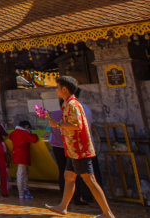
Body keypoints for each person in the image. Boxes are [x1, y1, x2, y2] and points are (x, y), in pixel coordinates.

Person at [45, 76, 114, 218]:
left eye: (57, 88)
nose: (56, 90)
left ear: (64, 89)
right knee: (69, 176)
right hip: (72, 149)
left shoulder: (73, 105)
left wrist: (57, 124)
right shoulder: (66, 104)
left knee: (90, 180)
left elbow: (77, 126)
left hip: (80, 149)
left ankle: (108, 213)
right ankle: (63, 206)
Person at [10, 119, 38, 199]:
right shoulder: (24, 133)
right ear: (26, 127)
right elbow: (34, 139)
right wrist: (33, 134)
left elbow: (10, 136)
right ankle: (22, 193)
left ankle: (23, 192)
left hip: (16, 154)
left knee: (23, 173)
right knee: (21, 174)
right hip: (23, 155)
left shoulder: (14, 133)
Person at [49, 102, 67, 195]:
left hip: (56, 146)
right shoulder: (68, 114)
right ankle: (76, 196)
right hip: (68, 146)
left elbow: (50, 129)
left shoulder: (53, 114)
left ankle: (63, 193)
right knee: (72, 172)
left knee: (62, 169)